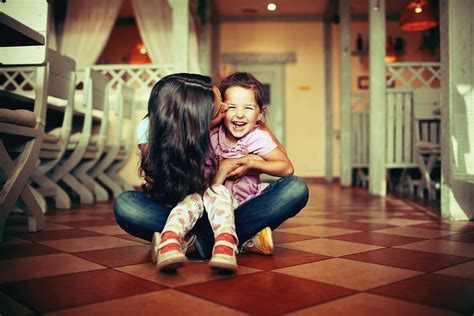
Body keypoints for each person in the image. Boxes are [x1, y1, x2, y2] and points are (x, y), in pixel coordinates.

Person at [113, 73, 308, 272]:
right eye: (220, 108)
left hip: (230, 208)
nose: (226, 108)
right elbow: (166, 192)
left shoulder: (244, 130)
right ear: (199, 122)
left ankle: (190, 243)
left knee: (295, 189)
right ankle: (231, 240)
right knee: (127, 206)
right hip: (189, 209)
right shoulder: (154, 132)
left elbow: (283, 163)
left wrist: (250, 157)